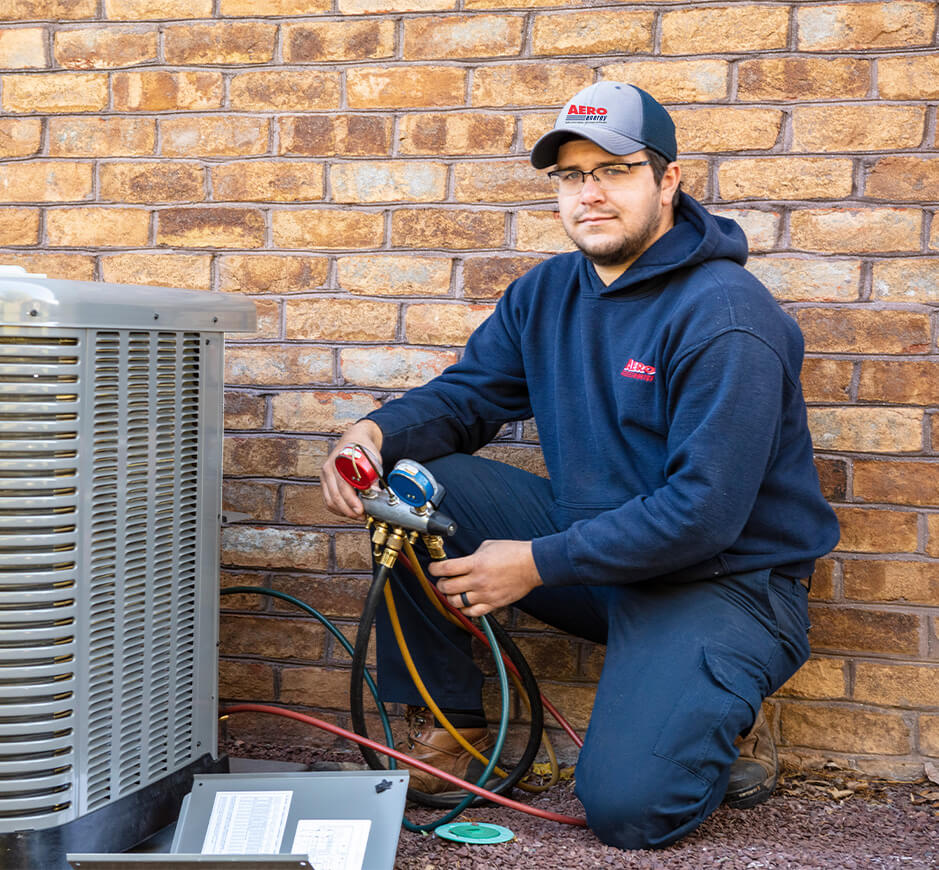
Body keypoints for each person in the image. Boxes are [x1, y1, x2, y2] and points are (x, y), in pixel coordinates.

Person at [319, 81, 840, 850]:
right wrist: (372, 434)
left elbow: (703, 511)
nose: (588, 194)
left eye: (613, 170)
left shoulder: (726, 317)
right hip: (595, 554)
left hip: (720, 585)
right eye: (570, 176)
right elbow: (467, 397)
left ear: (666, 181)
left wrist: (533, 562)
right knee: (413, 486)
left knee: (627, 811)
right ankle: (453, 729)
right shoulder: (547, 293)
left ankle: (717, 708)